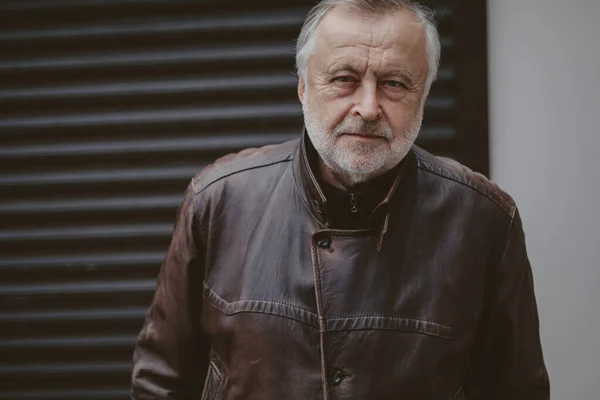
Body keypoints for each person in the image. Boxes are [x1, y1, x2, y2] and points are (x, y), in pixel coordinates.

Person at [131, 0, 549, 399]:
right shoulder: (218, 201)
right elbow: (161, 382)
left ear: (423, 96)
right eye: (344, 78)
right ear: (302, 87)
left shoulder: (485, 219)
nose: (368, 107)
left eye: (394, 83)